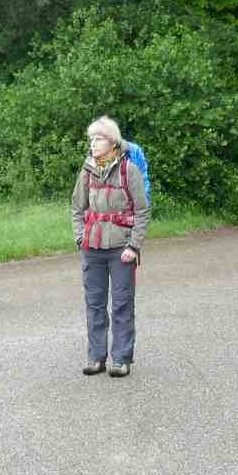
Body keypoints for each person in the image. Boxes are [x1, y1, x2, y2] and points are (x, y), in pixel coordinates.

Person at [71, 116, 152, 377]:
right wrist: (80, 238)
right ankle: (96, 357)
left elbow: (142, 211)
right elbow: (77, 208)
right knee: (94, 305)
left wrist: (134, 246)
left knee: (121, 304)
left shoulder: (130, 170)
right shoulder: (87, 170)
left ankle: (121, 359)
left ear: (112, 142)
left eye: (99, 138)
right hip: (92, 248)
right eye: (91, 139)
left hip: (121, 249)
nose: (93, 144)